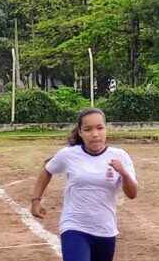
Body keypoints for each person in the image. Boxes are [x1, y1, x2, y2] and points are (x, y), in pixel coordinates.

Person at [30, 108, 138, 261]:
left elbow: (132, 194)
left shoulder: (120, 156)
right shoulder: (69, 154)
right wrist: (36, 200)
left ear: (106, 129)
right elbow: (47, 170)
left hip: (105, 230)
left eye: (100, 128)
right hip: (74, 226)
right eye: (88, 129)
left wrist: (124, 173)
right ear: (80, 132)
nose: (95, 134)